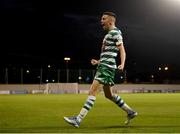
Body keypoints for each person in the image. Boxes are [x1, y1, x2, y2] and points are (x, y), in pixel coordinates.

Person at [64, 11, 137, 128]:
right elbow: (110, 53)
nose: (101, 21)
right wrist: (98, 61)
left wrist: (122, 64)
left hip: (106, 68)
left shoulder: (115, 33)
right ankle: (130, 112)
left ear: (110, 21)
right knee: (109, 95)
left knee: (92, 92)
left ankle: (78, 119)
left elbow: (122, 50)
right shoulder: (109, 34)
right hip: (105, 66)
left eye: (103, 19)